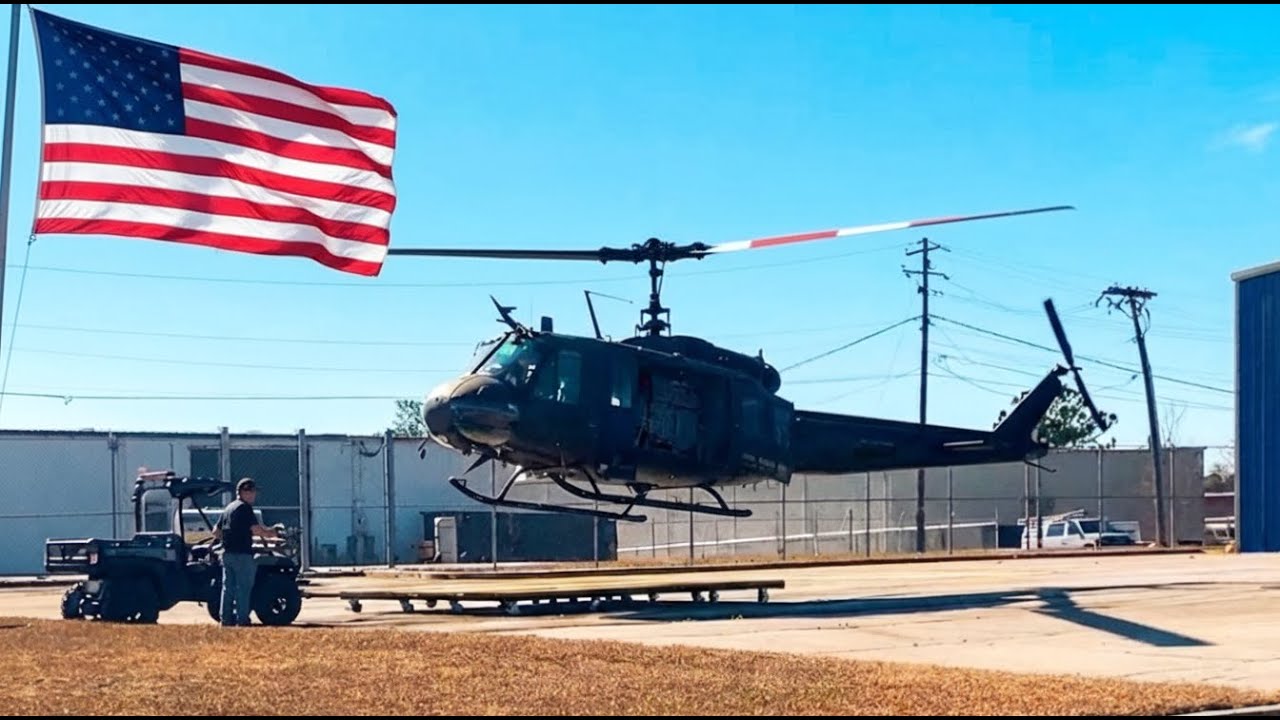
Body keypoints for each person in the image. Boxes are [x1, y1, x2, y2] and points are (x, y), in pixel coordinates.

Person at [212, 477, 280, 626]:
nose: (254, 495)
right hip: (242, 554)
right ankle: (242, 620)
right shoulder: (245, 508)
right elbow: (256, 530)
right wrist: (272, 533)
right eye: (251, 492)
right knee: (243, 588)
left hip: (227, 553)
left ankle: (225, 620)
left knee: (228, 588)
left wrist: (229, 537)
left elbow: (216, 531)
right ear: (244, 492)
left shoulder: (229, 508)